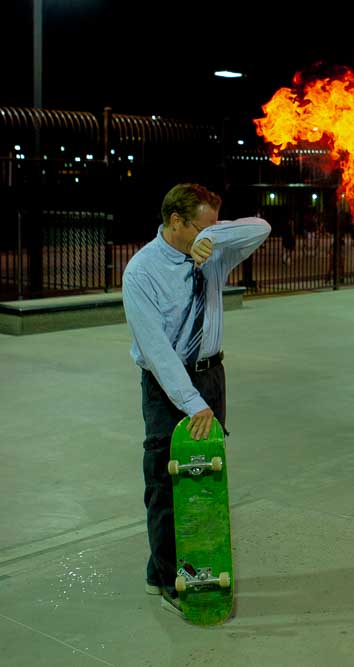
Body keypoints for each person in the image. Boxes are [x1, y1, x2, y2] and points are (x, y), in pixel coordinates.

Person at [122, 183, 270, 616]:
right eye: (202, 227)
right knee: (166, 482)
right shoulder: (142, 272)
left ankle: (162, 567)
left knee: (203, 476)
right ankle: (169, 579)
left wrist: (213, 238)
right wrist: (192, 403)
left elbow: (260, 227)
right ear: (175, 222)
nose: (212, 233)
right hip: (168, 386)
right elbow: (156, 352)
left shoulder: (212, 252)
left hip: (211, 377)